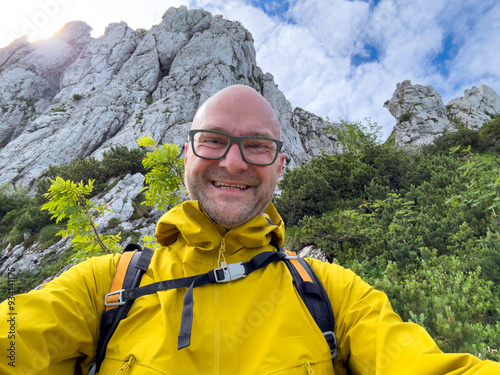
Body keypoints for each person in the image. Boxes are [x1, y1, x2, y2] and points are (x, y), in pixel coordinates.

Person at [0, 85, 498, 374]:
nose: (233, 162)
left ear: (280, 165)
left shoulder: (333, 294)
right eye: (213, 141)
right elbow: (15, 337)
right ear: (186, 155)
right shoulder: (104, 284)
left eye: (257, 146)